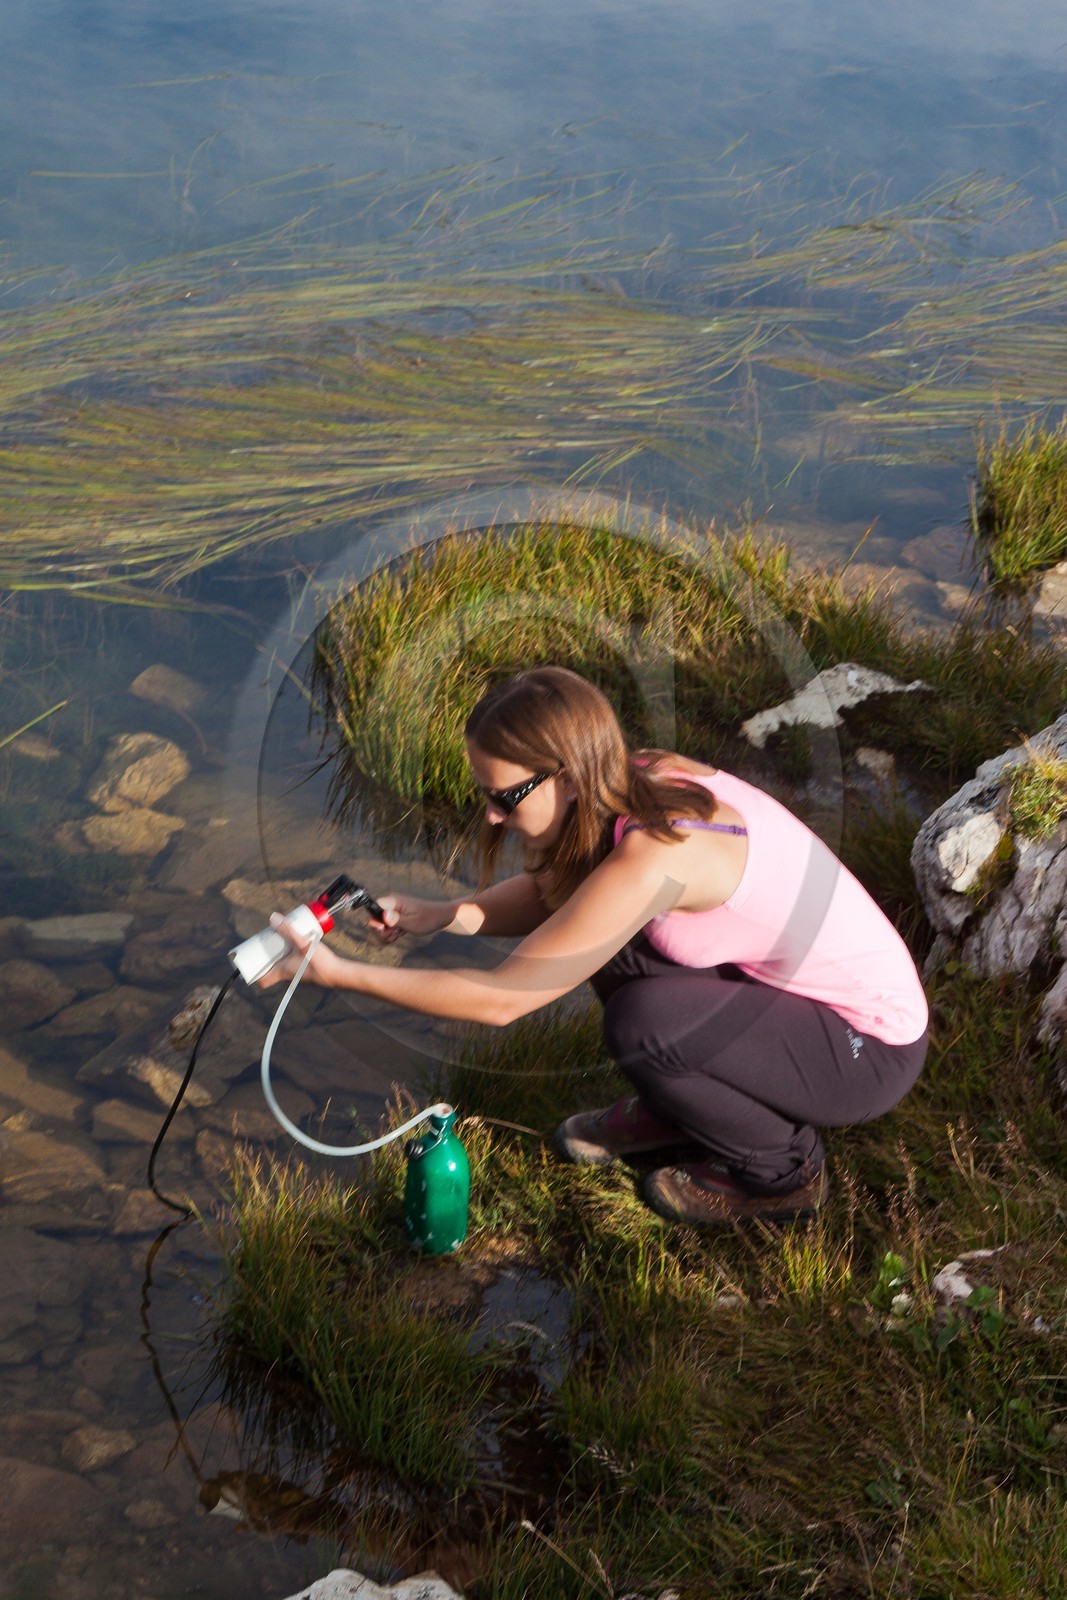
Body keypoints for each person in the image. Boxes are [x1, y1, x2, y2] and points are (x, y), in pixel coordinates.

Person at [263, 665, 928, 1228]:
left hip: (865, 1050)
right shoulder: (632, 777)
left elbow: (501, 1001)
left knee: (644, 1024)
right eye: (483, 794)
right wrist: (445, 915)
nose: (491, 815)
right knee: (602, 942)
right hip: (792, 1001)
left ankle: (781, 1172)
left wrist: (336, 973)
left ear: (569, 777)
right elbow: (557, 890)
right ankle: (682, 1111)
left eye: (504, 797)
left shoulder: (656, 855)